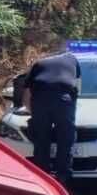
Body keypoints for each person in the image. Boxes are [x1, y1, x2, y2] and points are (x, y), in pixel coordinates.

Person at [23, 51, 81, 186]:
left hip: (40, 100)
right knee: (66, 138)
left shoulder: (38, 64)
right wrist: (71, 108)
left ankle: (43, 176)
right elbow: (77, 87)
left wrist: (34, 113)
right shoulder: (73, 60)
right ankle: (63, 177)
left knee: (41, 139)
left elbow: (26, 95)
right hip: (63, 99)